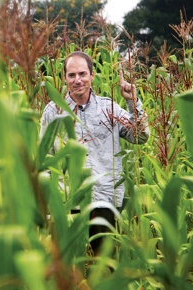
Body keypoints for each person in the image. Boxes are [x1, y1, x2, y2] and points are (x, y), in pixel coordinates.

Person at [39, 51, 150, 255]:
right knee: (68, 267)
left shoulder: (109, 108)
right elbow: (44, 159)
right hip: (68, 200)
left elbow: (140, 137)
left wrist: (132, 102)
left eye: (82, 74)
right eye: (71, 75)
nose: (77, 80)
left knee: (104, 263)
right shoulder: (53, 112)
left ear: (92, 75)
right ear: (64, 78)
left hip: (103, 199)